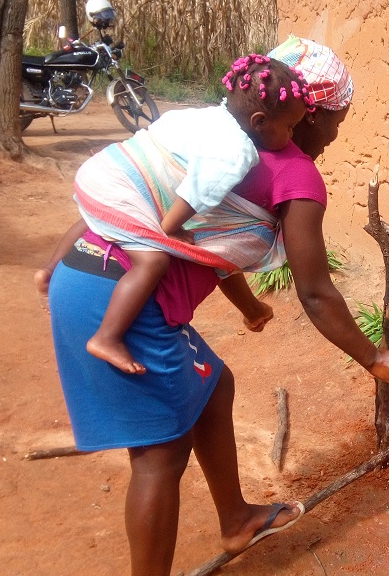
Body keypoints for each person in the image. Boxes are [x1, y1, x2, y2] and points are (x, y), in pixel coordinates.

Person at [42, 38, 389, 576]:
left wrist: (247, 307)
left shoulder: (214, 138)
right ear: (311, 113)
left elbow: (197, 231)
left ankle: (237, 518)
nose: (331, 137)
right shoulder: (296, 173)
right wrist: (373, 356)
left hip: (88, 271)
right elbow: (317, 291)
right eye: (333, 123)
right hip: (120, 295)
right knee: (160, 453)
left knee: (214, 382)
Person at [38, 54, 311, 375]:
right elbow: (199, 190)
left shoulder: (205, 116)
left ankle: (48, 271)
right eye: (290, 127)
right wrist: (172, 226)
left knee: (95, 215)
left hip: (105, 171)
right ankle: (107, 337)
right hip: (123, 187)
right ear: (260, 121)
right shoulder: (238, 152)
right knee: (152, 262)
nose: (292, 137)